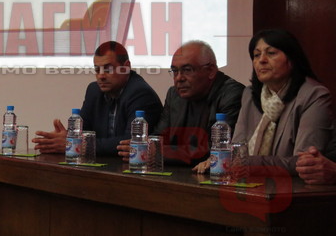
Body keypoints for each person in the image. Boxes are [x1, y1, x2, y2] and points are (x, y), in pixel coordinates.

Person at [116, 41, 244, 166]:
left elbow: (220, 149)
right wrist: (145, 147)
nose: (179, 78)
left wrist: (160, 152)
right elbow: (159, 136)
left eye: (187, 70)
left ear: (210, 71)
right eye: (175, 71)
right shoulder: (174, 95)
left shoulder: (232, 95)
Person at [228, 28, 333, 175]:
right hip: (249, 181)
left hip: (293, 185)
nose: (262, 60)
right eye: (256, 55)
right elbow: (236, 151)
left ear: (292, 59)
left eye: (271, 53)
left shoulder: (313, 95)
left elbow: (305, 162)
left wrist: (246, 162)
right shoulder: (249, 95)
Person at [33, 41, 163, 156]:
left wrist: (76, 145)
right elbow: (81, 132)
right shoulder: (94, 90)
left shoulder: (140, 93)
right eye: (97, 69)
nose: (101, 76)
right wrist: (64, 138)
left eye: (108, 69)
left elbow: (131, 142)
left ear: (126, 67)